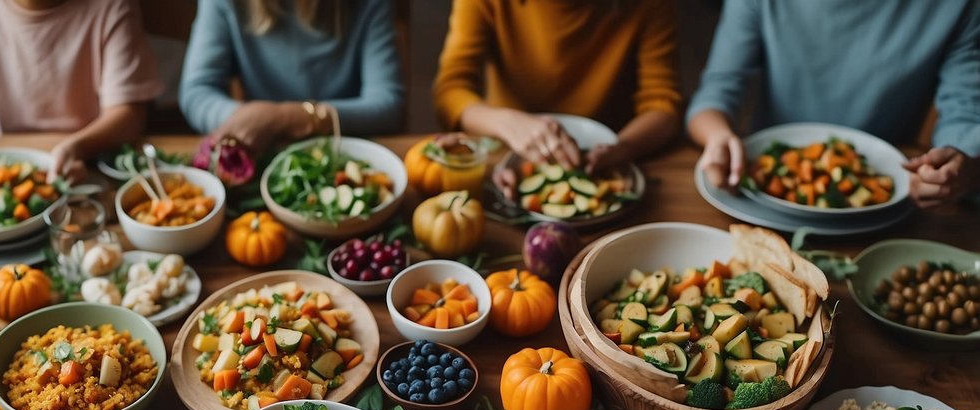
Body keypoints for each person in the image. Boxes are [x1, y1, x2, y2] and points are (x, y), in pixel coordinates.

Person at [687, 0, 980, 207]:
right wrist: (718, 136)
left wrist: (958, 165)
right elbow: (716, 92)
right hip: (762, 195)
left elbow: (965, 113)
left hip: (888, 203)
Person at [0, 0, 163, 180]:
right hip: (11, 171)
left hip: (91, 164)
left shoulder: (113, 5)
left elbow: (129, 115)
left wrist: (77, 146)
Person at [432, 0, 683, 180]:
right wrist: (507, 123)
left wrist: (624, 147)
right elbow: (451, 89)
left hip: (610, 158)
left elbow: (663, 105)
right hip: (508, 153)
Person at [178, 0, 404, 153]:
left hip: (349, 148)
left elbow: (387, 104)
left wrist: (285, 118)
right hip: (263, 150)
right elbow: (197, 91)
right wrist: (248, 120)